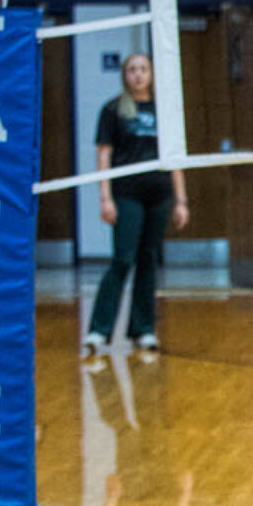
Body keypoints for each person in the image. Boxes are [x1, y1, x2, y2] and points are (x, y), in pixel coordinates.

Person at [83, 53, 189, 355]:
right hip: (127, 194)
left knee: (148, 259)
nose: (138, 75)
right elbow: (103, 155)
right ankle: (98, 330)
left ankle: (143, 330)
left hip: (160, 194)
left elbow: (175, 161)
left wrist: (181, 200)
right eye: (132, 70)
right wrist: (105, 197)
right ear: (125, 75)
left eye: (143, 69)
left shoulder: (163, 110)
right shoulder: (113, 110)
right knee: (123, 258)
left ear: (151, 74)